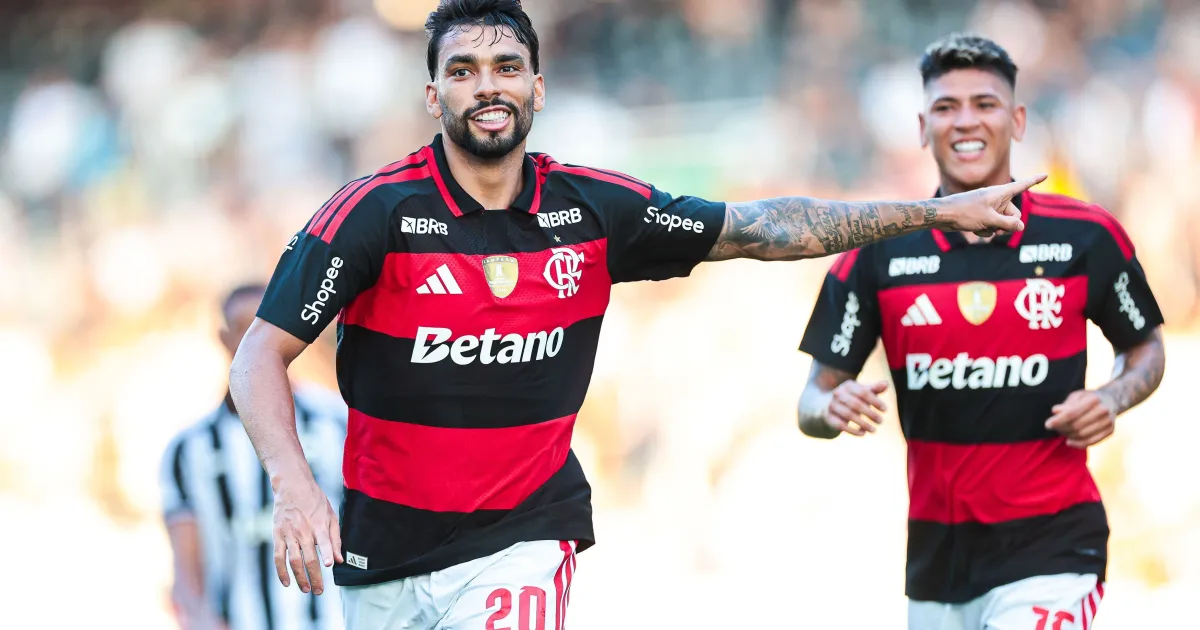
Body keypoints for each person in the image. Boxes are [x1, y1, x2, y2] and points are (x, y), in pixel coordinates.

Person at [229, 2, 1042, 628]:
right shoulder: (372, 213)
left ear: (537, 87)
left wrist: (934, 213)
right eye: (465, 70)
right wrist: (294, 485)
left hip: (520, 541)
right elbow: (259, 354)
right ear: (433, 91)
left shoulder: (594, 209)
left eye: (508, 67)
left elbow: (766, 229)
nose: (488, 86)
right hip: (381, 555)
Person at [795, 33, 1166, 630]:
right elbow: (811, 399)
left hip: (1053, 550)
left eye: (985, 103)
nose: (966, 120)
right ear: (923, 128)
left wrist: (1112, 397)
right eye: (946, 107)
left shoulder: (1087, 236)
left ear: (1017, 120)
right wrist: (830, 405)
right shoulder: (877, 252)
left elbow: (1145, 346)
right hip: (937, 570)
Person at [161, 284, 348, 630]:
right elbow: (186, 574)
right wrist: (200, 620)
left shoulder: (337, 423)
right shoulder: (189, 450)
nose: (254, 341)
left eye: (266, 327)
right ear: (223, 338)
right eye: (243, 328)